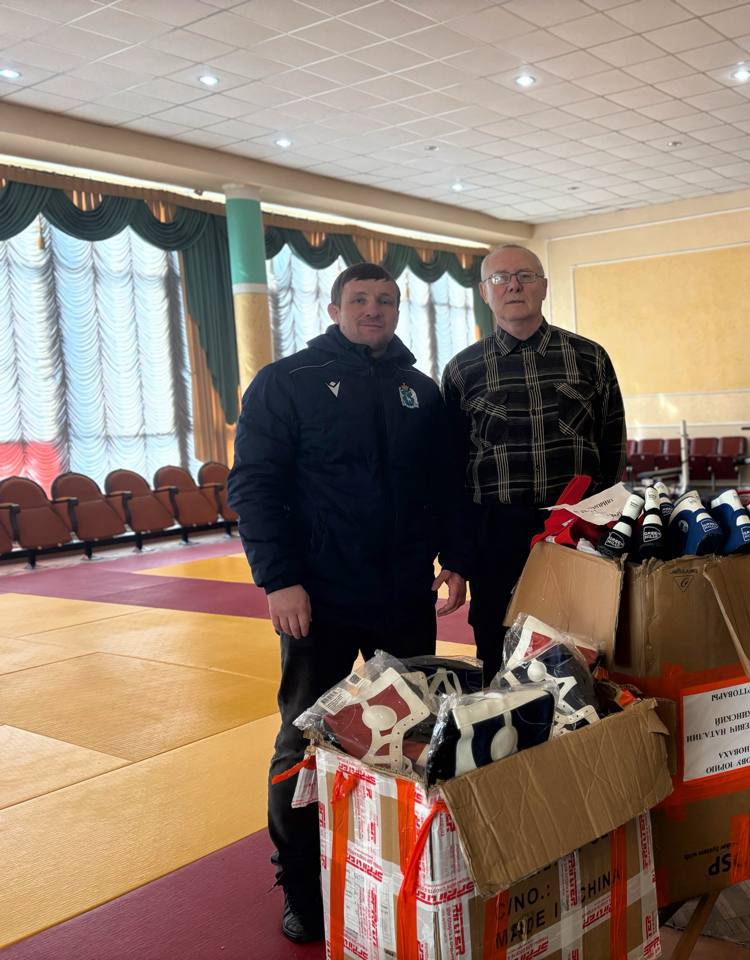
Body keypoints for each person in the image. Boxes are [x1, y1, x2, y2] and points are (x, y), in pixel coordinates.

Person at [227, 262, 469, 944]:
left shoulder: (419, 389)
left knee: (412, 731)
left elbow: (442, 485)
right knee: (304, 738)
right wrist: (279, 579)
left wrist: (455, 558)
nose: (373, 309)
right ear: (334, 309)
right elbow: (254, 485)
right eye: (359, 299)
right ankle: (302, 885)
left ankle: (402, 866)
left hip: (402, 592)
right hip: (319, 595)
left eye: (386, 299)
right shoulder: (287, 382)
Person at [442, 244, 626, 682]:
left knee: (585, 648)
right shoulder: (462, 370)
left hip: (576, 532)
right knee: (498, 648)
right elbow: (452, 469)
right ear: (484, 292)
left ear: (543, 286)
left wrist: (606, 528)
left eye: (525, 276)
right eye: (500, 278)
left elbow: (612, 446)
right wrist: (458, 555)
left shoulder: (589, 358)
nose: (514, 286)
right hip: (496, 536)